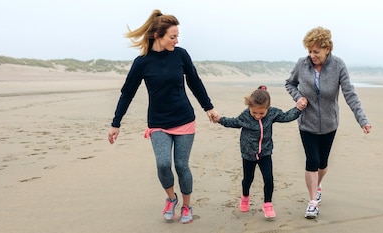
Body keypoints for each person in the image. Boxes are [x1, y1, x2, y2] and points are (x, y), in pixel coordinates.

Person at [107, 9, 219, 224]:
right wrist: (116, 123)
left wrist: (209, 107)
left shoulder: (181, 55)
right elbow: (127, 93)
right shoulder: (142, 62)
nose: (176, 41)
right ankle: (171, 198)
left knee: (181, 165)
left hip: (184, 119)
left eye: (178, 36)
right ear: (158, 36)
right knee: (163, 164)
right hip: (158, 122)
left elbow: (194, 81)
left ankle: (187, 205)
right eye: (172, 36)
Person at [284, 26, 372, 219]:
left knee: (322, 164)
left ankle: (318, 185)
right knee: (312, 161)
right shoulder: (302, 64)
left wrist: (362, 120)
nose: (312, 55)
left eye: (316, 51)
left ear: (327, 49)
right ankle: (312, 201)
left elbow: (350, 94)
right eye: (309, 51)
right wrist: (298, 97)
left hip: (330, 124)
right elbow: (289, 83)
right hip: (307, 122)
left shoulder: (338, 65)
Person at [212, 86, 307, 218]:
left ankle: (267, 204)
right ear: (249, 108)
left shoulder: (272, 113)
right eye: (254, 112)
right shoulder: (245, 116)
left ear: (268, 108)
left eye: (261, 113)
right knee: (248, 179)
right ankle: (245, 196)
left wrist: (298, 109)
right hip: (248, 154)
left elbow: (286, 116)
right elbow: (233, 122)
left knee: (268, 179)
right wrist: (220, 120)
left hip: (265, 153)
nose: (257, 116)